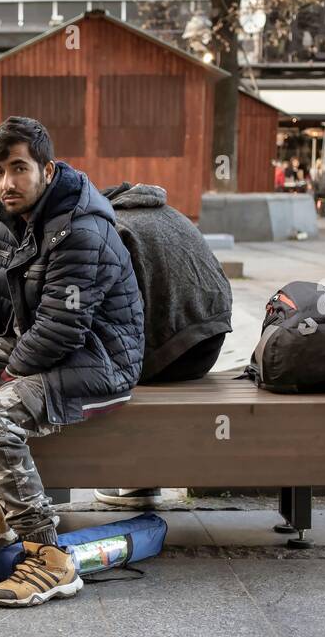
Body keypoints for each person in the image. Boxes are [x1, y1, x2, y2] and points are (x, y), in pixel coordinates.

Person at [0, 116, 145, 608]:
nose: (6, 182)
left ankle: (49, 555)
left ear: (47, 169)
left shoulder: (81, 229)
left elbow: (65, 329)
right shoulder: (8, 223)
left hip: (98, 360)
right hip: (37, 347)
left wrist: (3, 379)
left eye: (18, 169)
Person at [90, 180, 234, 509]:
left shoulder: (112, 227)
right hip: (208, 345)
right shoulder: (174, 214)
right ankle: (141, 479)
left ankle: (134, 480)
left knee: (82, 367)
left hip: (169, 354)